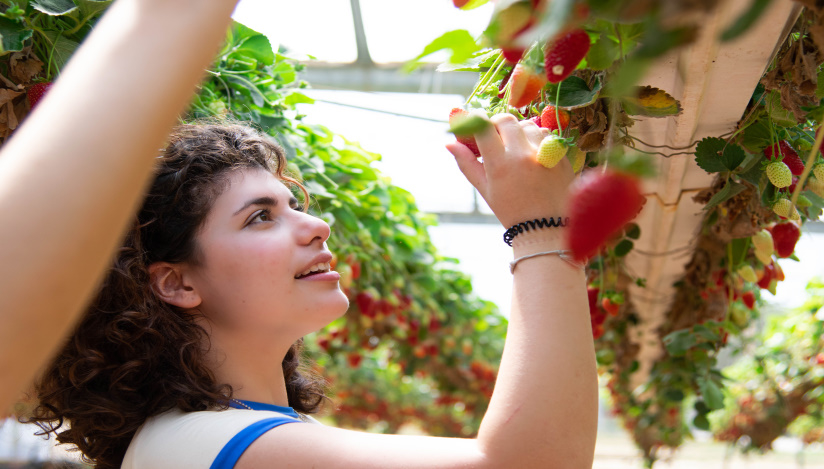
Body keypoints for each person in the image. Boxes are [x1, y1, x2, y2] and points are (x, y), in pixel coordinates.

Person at [1, 1, 598, 468]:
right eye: (260, 216)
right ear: (177, 282)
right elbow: (530, 463)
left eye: (294, 206)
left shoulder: (226, 436)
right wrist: (540, 229)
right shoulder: (204, 442)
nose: (315, 225)